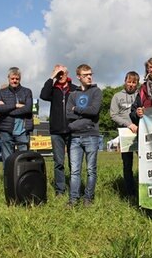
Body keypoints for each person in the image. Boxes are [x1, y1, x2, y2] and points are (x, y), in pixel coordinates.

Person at [66, 64, 103, 207]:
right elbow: (68, 114)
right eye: (86, 74)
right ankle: (73, 199)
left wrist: (77, 110)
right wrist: (84, 119)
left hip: (91, 136)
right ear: (79, 77)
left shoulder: (96, 92)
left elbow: (94, 111)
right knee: (74, 171)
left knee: (90, 170)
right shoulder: (72, 95)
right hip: (75, 137)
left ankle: (88, 198)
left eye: (90, 74)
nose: (89, 77)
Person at [40, 65, 79, 197]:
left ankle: (74, 189)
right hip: (56, 131)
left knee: (73, 162)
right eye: (58, 73)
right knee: (58, 162)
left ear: (67, 74)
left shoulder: (74, 89)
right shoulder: (52, 89)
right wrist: (52, 77)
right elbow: (43, 95)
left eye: (62, 73)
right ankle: (60, 190)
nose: (60, 76)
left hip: (72, 130)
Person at [110, 71, 140, 197]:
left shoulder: (141, 95)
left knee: (144, 161)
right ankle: (130, 192)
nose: (131, 85)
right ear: (125, 81)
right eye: (129, 81)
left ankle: (143, 189)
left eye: (134, 82)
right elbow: (113, 115)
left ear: (137, 83)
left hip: (140, 133)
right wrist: (128, 124)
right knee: (127, 164)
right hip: (125, 134)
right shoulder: (117, 96)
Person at [0, 67, 34, 161]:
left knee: (24, 159)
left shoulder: (27, 91)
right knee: (7, 160)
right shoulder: (2, 92)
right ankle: (8, 176)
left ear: (20, 79)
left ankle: (23, 176)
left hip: (23, 130)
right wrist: (16, 105)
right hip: (6, 130)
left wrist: (7, 109)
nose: (14, 81)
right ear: (8, 78)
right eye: (12, 78)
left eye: (17, 79)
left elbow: (28, 109)